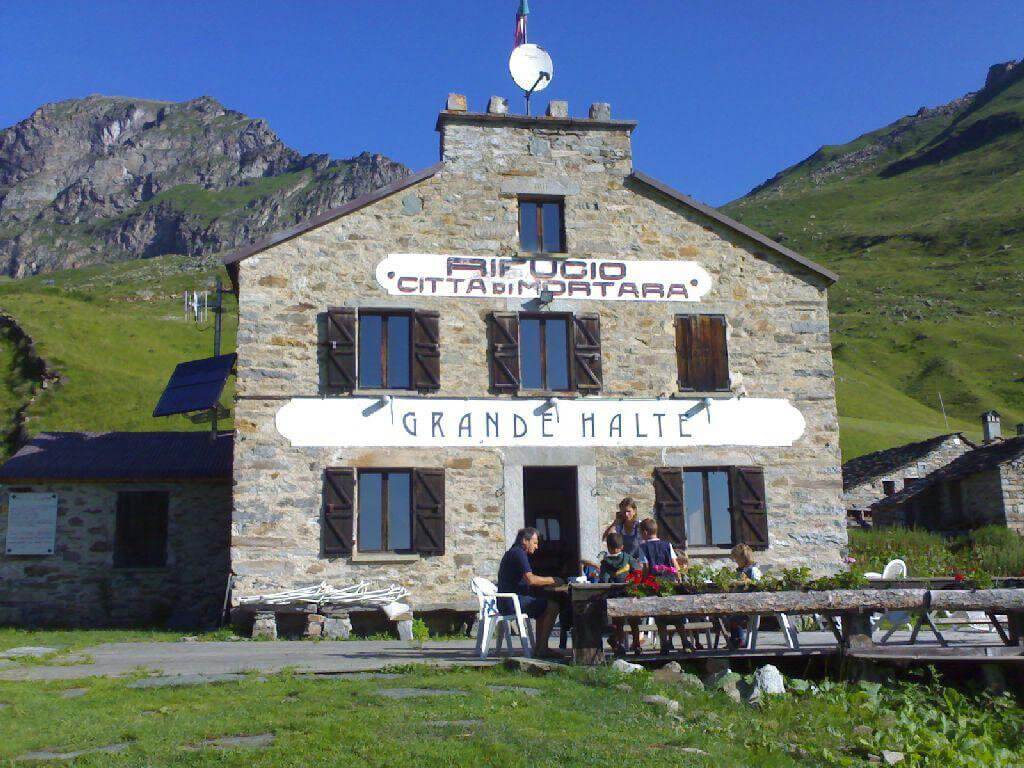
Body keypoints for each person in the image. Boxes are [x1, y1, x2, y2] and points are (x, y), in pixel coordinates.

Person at [496, 527, 564, 658]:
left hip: (506, 601)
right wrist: (554, 580)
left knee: (543, 605)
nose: (537, 546)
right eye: (535, 542)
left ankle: (540, 647)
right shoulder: (518, 553)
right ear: (524, 541)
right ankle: (542, 648)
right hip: (511, 602)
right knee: (552, 606)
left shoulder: (513, 552)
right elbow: (531, 580)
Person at [598, 531, 641, 655]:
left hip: (615, 595)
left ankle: (621, 645)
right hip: (629, 593)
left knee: (619, 623)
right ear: (622, 547)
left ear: (609, 548)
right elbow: (637, 570)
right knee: (634, 621)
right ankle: (636, 644)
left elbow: (604, 580)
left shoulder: (605, 563)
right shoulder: (627, 558)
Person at [726, 543, 762, 649]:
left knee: (733, 617)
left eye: (736, 560)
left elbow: (757, 584)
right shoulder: (741, 571)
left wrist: (741, 583)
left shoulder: (753, 570)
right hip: (739, 603)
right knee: (726, 615)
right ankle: (735, 640)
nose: (735, 562)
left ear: (743, 558)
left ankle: (739, 640)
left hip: (750, 603)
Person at [602, 497, 644, 564]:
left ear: (634, 511)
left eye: (628, 511)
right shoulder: (619, 526)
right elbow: (606, 538)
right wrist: (614, 523)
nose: (626, 515)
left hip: (637, 563)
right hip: (622, 563)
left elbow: (645, 546)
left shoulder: (640, 526)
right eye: (623, 512)